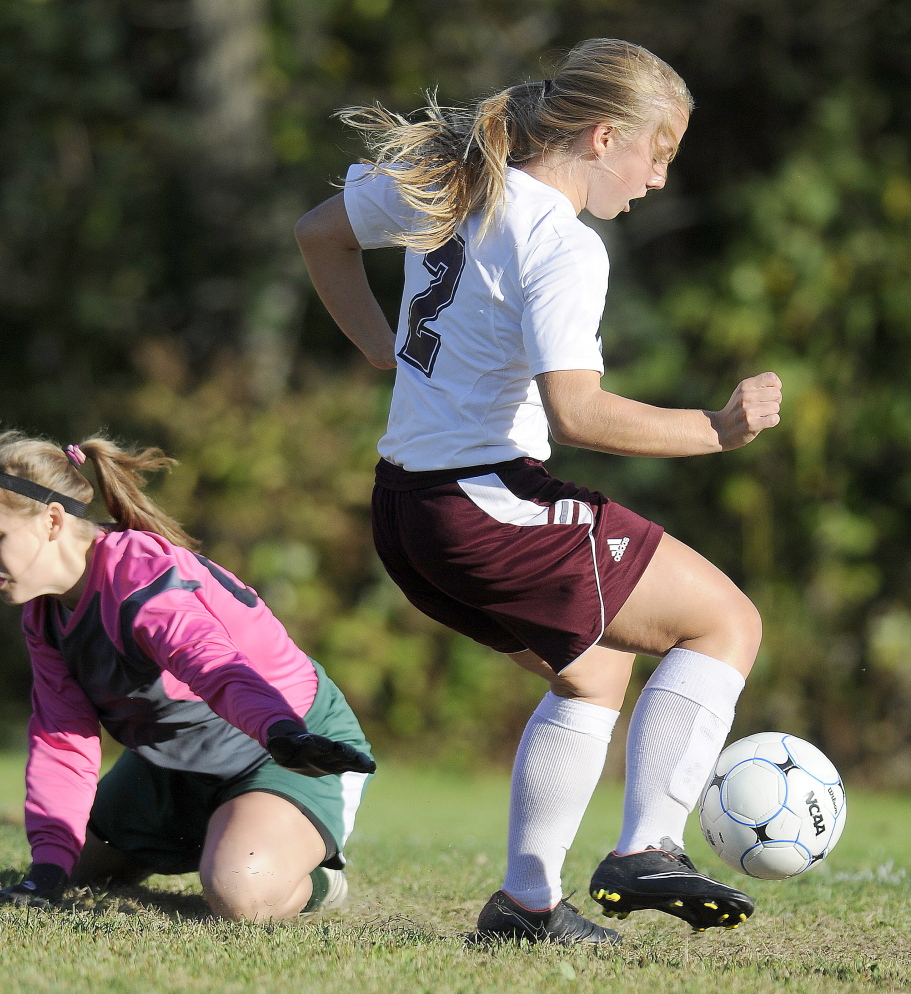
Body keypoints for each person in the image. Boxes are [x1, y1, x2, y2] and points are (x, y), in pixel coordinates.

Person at [294, 37, 782, 944]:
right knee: (725, 623)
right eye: (658, 153)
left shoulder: (453, 180)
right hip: (482, 503)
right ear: (604, 137)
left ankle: (525, 905)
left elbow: (317, 233)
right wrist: (716, 428)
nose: (658, 181)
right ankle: (647, 847)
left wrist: (378, 347)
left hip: (405, 510)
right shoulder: (561, 241)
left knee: (593, 675)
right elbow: (579, 412)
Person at [0, 431, 375, 922]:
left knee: (241, 894)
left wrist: (279, 731)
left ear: (51, 520)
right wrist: (45, 873)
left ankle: (319, 878)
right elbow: (61, 740)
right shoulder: (44, 616)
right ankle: (220, 832)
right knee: (72, 870)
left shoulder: (140, 578)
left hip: (284, 743)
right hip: (177, 761)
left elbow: (215, 666)